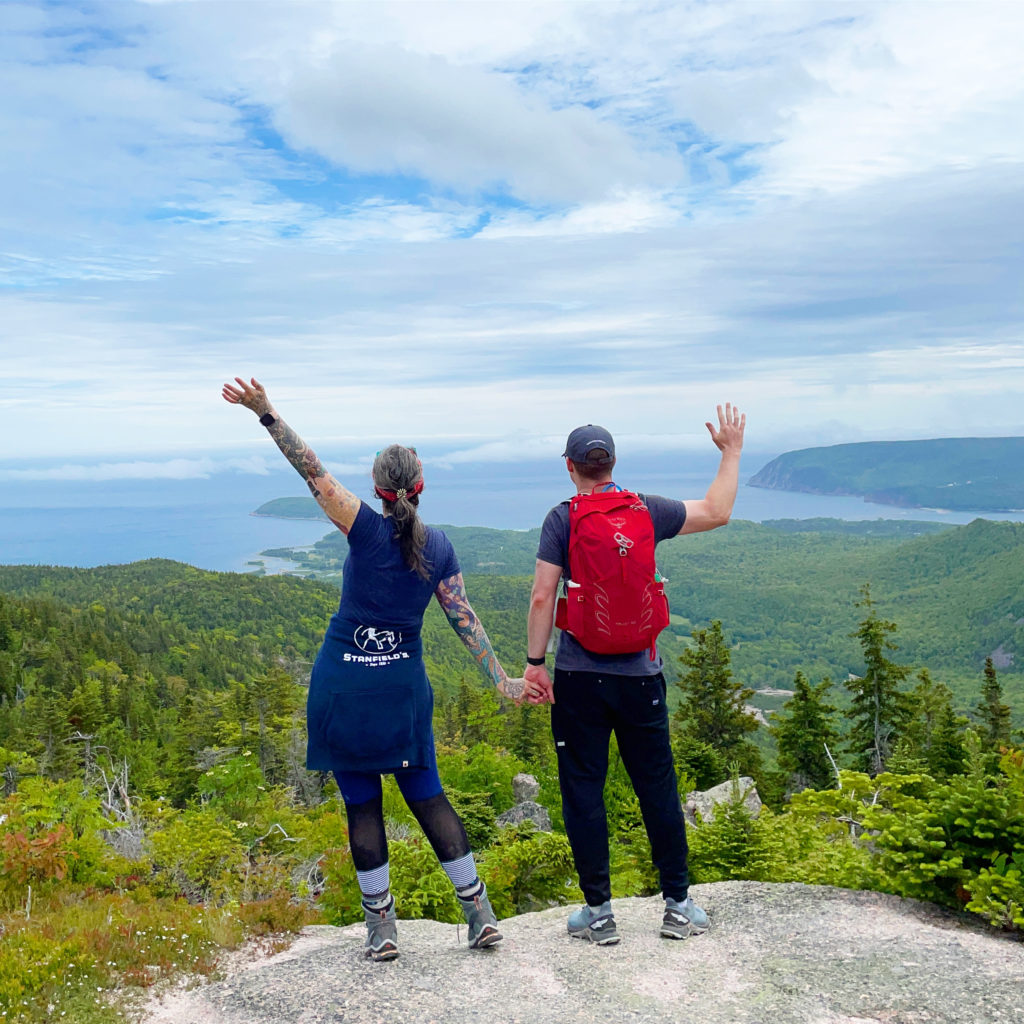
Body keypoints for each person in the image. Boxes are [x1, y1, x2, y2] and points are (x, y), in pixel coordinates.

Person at [222, 377, 537, 961]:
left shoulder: (362, 528)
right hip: (402, 687)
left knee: (362, 805)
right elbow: (463, 619)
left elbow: (310, 470)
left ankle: (382, 929)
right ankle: (479, 914)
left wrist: (266, 413)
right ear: (420, 487)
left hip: (343, 684)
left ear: (377, 489)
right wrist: (503, 680)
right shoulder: (438, 546)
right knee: (429, 796)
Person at [523, 404, 746, 944]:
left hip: (578, 676)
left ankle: (599, 915)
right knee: (657, 787)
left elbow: (541, 597)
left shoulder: (564, 517)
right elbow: (718, 511)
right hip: (642, 675)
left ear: (571, 467)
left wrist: (535, 666)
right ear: (613, 463)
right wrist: (732, 451)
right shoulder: (647, 510)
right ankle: (677, 905)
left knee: (583, 789)